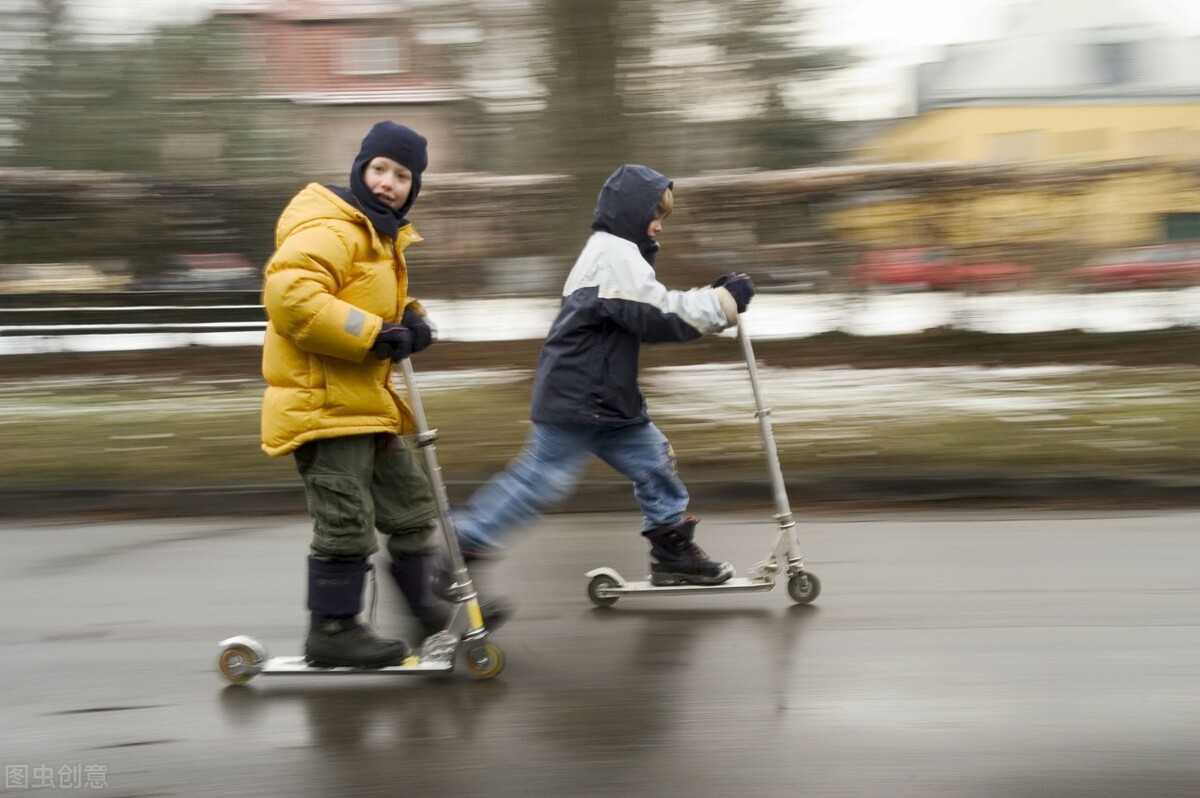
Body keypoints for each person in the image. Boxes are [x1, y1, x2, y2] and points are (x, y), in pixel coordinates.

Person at [450, 164, 755, 586]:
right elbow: (658, 316)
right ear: (631, 211)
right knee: (540, 481)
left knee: (654, 460)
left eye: (663, 217)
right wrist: (722, 302)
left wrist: (709, 296)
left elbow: (644, 305)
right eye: (655, 215)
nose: (659, 226)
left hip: (604, 400)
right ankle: (464, 541)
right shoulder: (613, 253)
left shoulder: (614, 254)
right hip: (579, 398)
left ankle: (672, 550)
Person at [260, 121, 477, 669]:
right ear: (360, 169)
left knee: (410, 507)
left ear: (413, 187)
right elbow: (291, 297)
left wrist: (411, 318)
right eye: (379, 169)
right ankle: (332, 631)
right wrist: (372, 333)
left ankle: (426, 610)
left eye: (402, 176)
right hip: (323, 406)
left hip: (366, 406)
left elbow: (372, 298)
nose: (388, 183)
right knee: (346, 521)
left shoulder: (380, 238)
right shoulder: (331, 228)